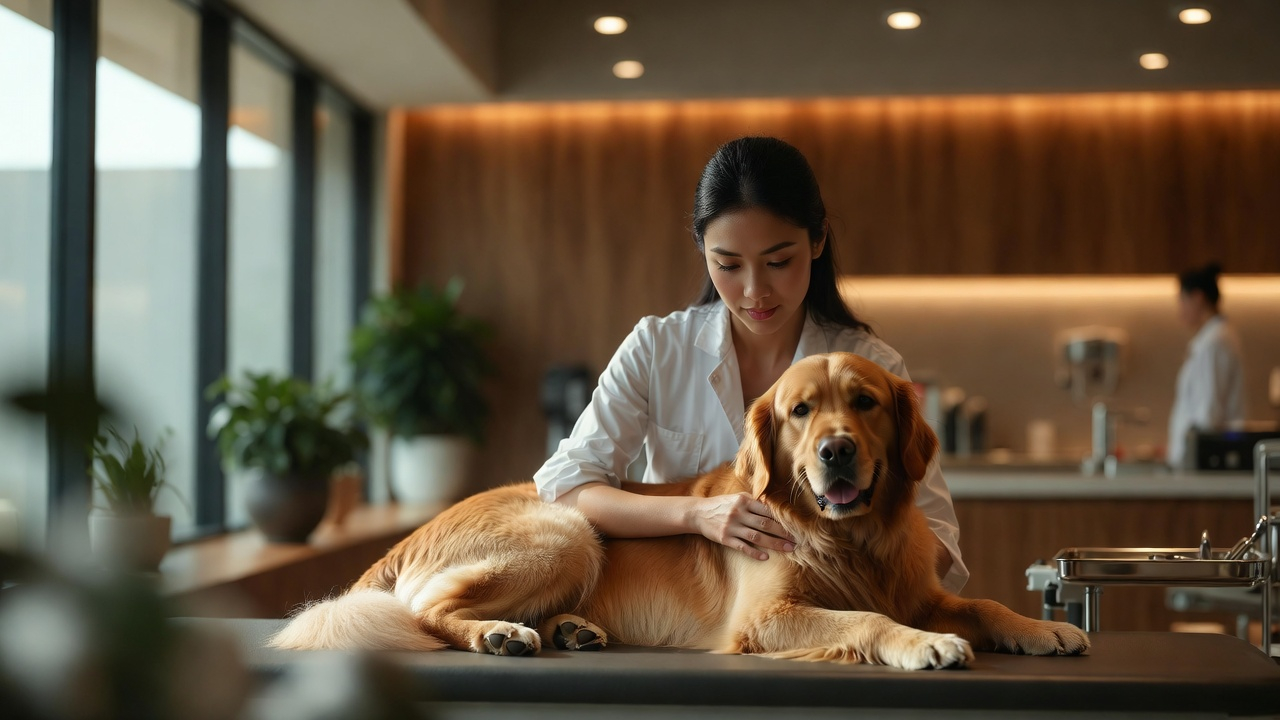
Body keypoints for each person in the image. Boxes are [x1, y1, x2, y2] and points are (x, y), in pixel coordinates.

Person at [533, 136, 968, 593]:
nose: (755, 291)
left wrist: (846, 576)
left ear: (818, 240)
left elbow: (939, 539)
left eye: (778, 261)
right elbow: (566, 490)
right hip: (680, 607)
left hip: (820, 613)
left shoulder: (870, 366)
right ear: (702, 249)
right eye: (728, 265)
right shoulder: (658, 348)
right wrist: (696, 513)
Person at [1166, 262, 1246, 468]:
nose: (1179, 309)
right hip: (1199, 457)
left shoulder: (1214, 343)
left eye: (1182, 300)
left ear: (1198, 297)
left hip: (1204, 460)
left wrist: (1190, 456)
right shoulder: (1212, 339)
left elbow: (1208, 412)